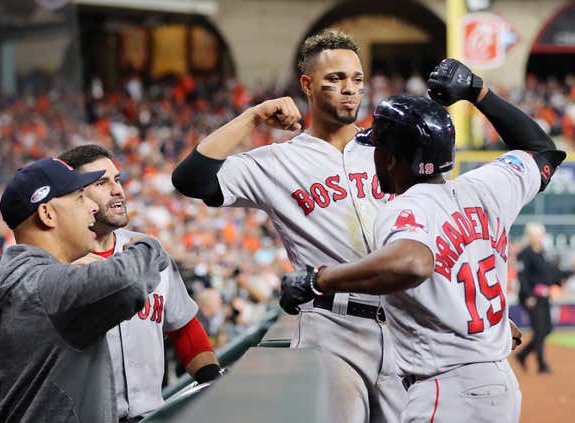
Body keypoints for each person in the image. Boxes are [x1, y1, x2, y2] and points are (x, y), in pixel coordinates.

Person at [280, 58, 566, 422]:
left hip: (446, 391)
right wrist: (477, 92)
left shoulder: (405, 209)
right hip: (498, 383)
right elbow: (543, 149)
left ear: (393, 159)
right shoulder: (488, 186)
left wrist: (318, 280)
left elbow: (415, 262)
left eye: (378, 149)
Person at [173, 29, 405, 422]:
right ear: (307, 85)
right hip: (332, 328)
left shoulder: (388, 150)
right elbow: (190, 179)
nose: (350, 89)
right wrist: (252, 116)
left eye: (357, 79)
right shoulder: (276, 162)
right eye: (335, 79)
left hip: (403, 322)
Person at [0, 157, 170, 423]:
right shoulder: (44, 285)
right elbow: (130, 281)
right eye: (81, 198)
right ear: (47, 214)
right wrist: (148, 246)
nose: (94, 208)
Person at [58, 144, 221, 422]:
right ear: (75, 197)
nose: (118, 190)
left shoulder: (148, 250)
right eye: (101, 183)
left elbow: (182, 326)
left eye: (117, 180)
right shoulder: (55, 265)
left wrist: (213, 380)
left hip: (151, 415)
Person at [515, 222, 561, 373]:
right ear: (530, 236)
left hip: (544, 297)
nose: (539, 238)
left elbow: (550, 273)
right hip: (531, 298)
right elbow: (522, 277)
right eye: (536, 235)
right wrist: (528, 296)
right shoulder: (525, 254)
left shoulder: (543, 253)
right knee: (540, 330)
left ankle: (522, 354)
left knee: (547, 329)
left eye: (541, 235)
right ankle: (541, 364)